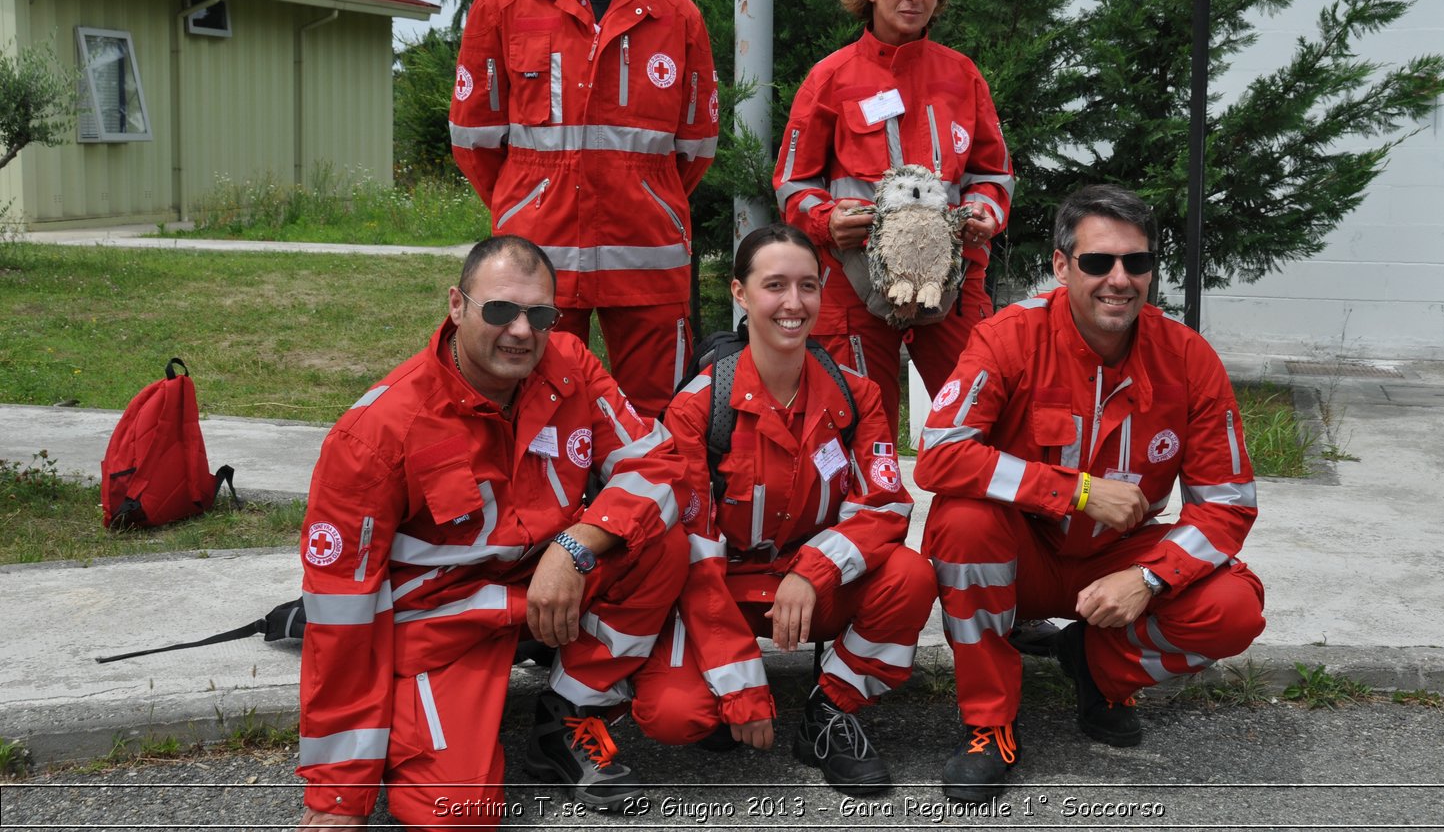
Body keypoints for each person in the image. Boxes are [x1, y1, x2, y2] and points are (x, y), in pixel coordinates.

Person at [294, 235, 689, 829]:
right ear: (456, 306)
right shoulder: (375, 433)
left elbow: (657, 465)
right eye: (500, 310)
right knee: (458, 815)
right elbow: (342, 618)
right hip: (445, 622)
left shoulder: (571, 367)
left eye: (540, 314)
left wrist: (575, 545)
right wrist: (337, 803)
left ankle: (570, 718)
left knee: (660, 541)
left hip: (546, 585)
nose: (522, 332)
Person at [916, 185, 1267, 802]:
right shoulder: (1008, 337)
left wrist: (1152, 579)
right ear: (1060, 266)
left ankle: (1097, 667)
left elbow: (1228, 503)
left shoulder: (1189, 358)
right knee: (962, 520)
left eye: (1136, 262)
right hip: (1022, 553)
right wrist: (1076, 492)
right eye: (1097, 262)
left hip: (1116, 561)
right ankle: (989, 722)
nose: (1119, 279)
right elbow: (941, 454)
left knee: (1234, 607)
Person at [630, 224, 937, 795]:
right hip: (719, 590)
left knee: (910, 575)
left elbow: (887, 505)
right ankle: (726, 694)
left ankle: (830, 711)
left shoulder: (858, 395)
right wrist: (742, 689)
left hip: (811, 591)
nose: (793, 304)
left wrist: (812, 569)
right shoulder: (698, 408)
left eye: (807, 286)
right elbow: (692, 555)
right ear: (741, 295)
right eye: (774, 286)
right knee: (675, 716)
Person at [450, 0, 718, 419]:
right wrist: (529, 198)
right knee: (531, 409)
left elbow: (695, 148)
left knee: (658, 418)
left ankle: (646, 512)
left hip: (648, 258)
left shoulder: (678, 17)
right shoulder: (501, 8)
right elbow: (474, 141)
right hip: (536, 261)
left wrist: (645, 194)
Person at [772, 0, 1013, 427]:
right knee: (856, 423)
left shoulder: (963, 76)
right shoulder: (830, 78)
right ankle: (871, 509)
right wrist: (825, 221)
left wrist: (986, 213)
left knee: (981, 418)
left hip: (954, 280)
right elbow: (793, 181)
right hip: (852, 284)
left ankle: (972, 507)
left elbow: (994, 171)